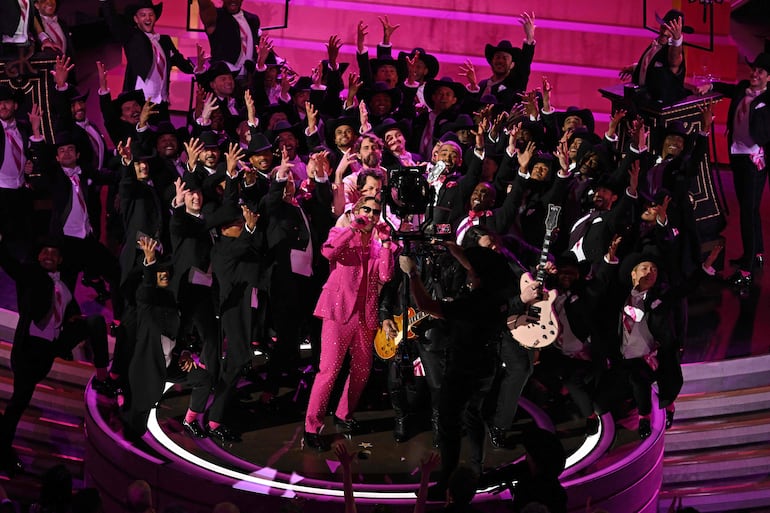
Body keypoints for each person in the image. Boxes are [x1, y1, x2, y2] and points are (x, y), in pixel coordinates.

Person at [399, 245, 527, 501]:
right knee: (474, 415)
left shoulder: (471, 303)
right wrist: (449, 246)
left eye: (471, 272)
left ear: (478, 276)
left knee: (449, 422)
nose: (467, 274)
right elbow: (477, 267)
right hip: (486, 368)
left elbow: (425, 304)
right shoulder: (499, 293)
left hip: (462, 370)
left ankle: (447, 479)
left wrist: (412, 273)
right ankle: (476, 468)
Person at [0, 236, 110, 476]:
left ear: (60, 259)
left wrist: (73, 320)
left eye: (53, 253)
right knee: (19, 402)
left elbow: (66, 307)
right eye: (44, 252)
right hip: (29, 351)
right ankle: (3, 451)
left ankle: (104, 375)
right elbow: (10, 265)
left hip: (50, 348)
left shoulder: (64, 284)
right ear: (38, 256)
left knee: (95, 322)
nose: (48, 256)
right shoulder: (30, 275)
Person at [303, 196, 395, 451]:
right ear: (356, 211)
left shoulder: (380, 244)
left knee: (362, 370)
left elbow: (386, 275)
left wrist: (386, 242)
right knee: (329, 371)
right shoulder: (341, 232)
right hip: (338, 310)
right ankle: (312, 426)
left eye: (376, 211)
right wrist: (353, 227)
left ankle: (344, 414)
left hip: (366, 315)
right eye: (367, 209)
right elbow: (328, 252)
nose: (372, 215)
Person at [696, 52, 770, 290]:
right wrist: (710, 86)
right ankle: (756, 253)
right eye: (754, 69)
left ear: (769, 77)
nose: (754, 74)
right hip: (737, 155)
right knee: (749, 209)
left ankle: (746, 270)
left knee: (747, 214)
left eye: (760, 71)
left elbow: (764, 134)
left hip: (753, 161)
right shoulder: (742, 89)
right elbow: (726, 88)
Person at [620, 9, 693, 105]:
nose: (665, 33)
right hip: (642, 101)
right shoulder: (656, 44)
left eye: (670, 30)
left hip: (662, 107)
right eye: (663, 27)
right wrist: (636, 68)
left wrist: (676, 40)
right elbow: (656, 69)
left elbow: (674, 62)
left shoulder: (674, 51)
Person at [197, 0, 261, 84]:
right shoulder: (215, 17)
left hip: (248, 80)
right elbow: (205, 6)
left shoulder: (253, 19)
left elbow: (257, 47)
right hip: (224, 80)